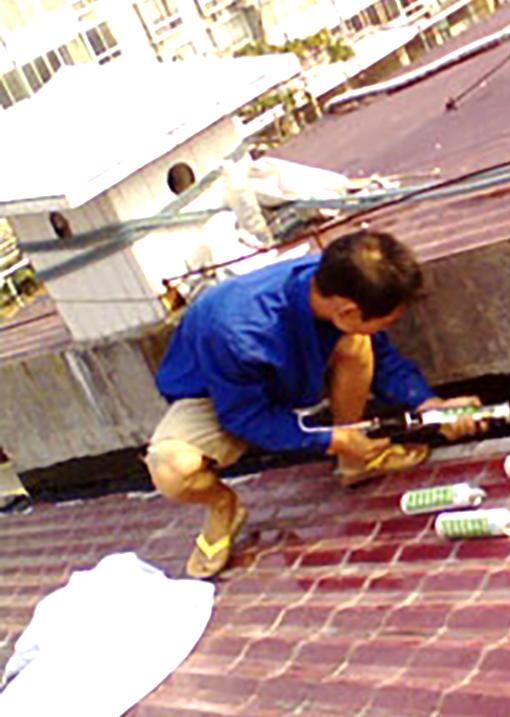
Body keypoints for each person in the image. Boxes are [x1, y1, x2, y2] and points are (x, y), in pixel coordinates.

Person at [145, 230, 485, 579]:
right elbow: (246, 417)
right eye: (386, 321)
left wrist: (428, 404)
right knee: (171, 467)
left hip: (287, 374)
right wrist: (331, 439)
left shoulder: (340, 282)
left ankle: (355, 463)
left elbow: (381, 355)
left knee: (357, 343)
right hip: (220, 396)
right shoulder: (237, 331)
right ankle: (223, 507)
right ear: (348, 310)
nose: (388, 327)